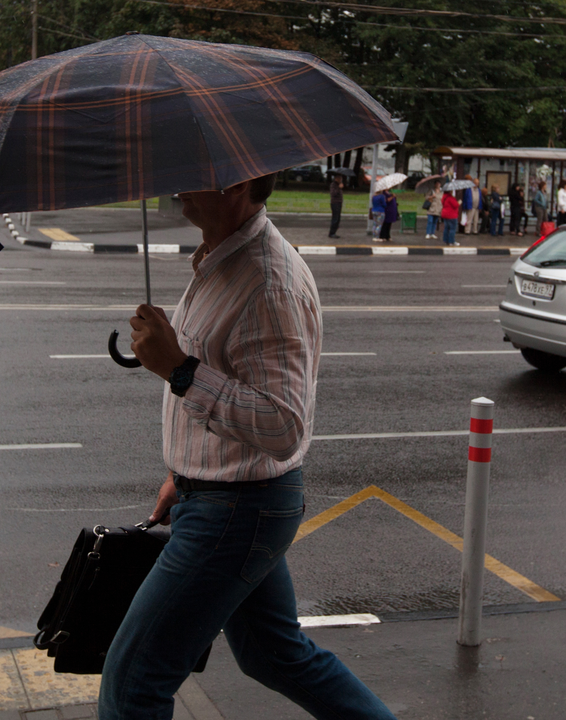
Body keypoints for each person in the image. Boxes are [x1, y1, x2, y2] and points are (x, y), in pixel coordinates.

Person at [100, 174, 398, 720]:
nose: (177, 183)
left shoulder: (268, 284)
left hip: (236, 512)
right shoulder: (219, 260)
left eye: (194, 172)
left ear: (237, 184)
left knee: (133, 684)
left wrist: (180, 369)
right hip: (222, 496)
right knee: (274, 655)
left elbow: (284, 426)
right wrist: (185, 472)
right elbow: (227, 381)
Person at [328, 174, 343, 238]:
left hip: (339, 203)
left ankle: (334, 231)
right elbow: (333, 193)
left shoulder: (337, 185)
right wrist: (339, 188)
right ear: (336, 178)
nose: (341, 179)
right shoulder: (333, 185)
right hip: (335, 203)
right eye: (340, 178)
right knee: (335, 218)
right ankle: (332, 233)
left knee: (338, 218)